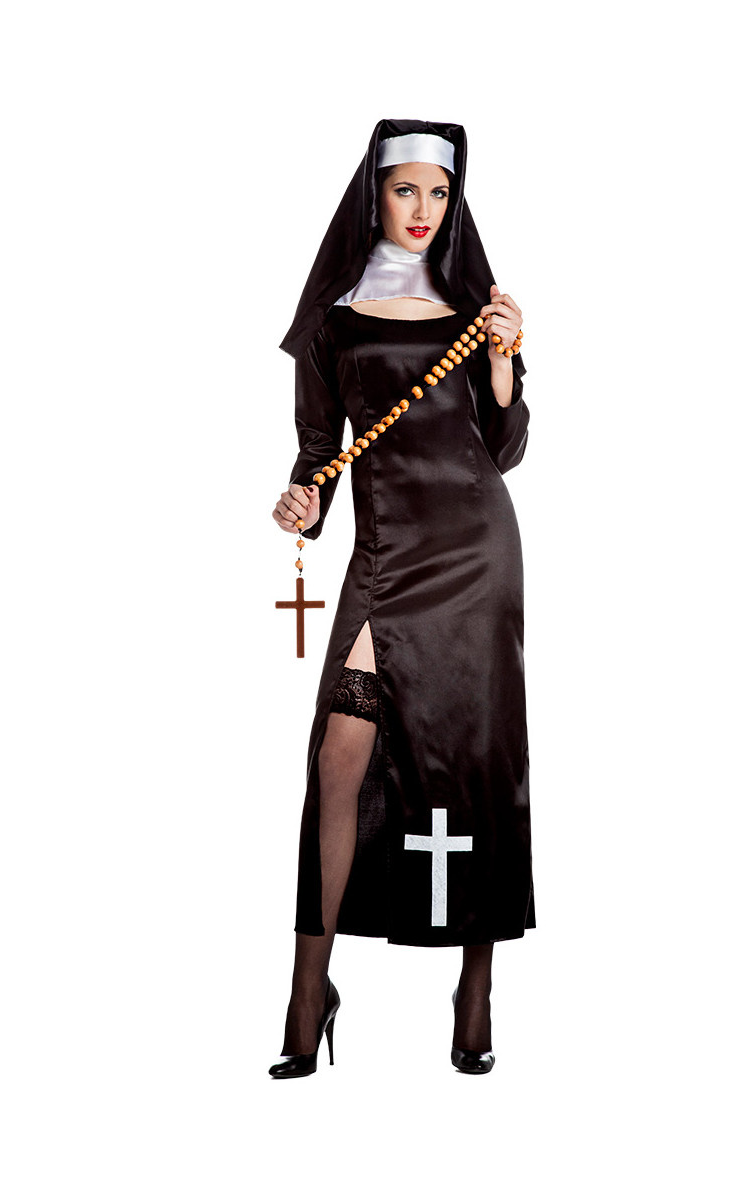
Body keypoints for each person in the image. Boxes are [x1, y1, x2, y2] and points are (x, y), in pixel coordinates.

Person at [268, 119, 533, 1078]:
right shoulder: (334, 315)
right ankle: (309, 990)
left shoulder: (474, 307)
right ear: (373, 194)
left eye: (439, 193)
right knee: (340, 758)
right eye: (405, 190)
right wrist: (302, 502)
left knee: (477, 761)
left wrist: (501, 360)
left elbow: (505, 448)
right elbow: (318, 450)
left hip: (475, 555)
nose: (423, 210)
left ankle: (476, 988)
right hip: (385, 557)